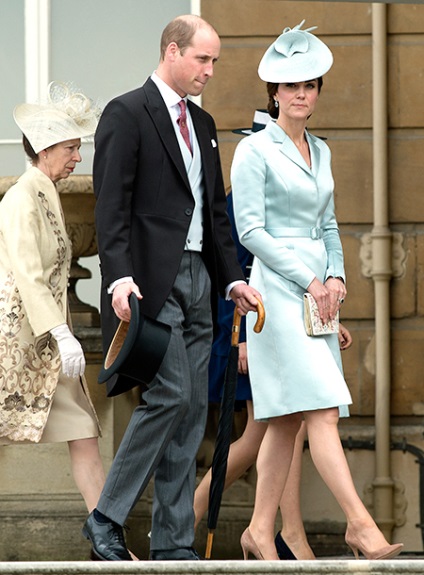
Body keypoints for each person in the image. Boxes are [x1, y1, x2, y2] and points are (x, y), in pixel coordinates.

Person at [82, 14, 260, 562]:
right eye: (202, 59)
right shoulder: (126, 112)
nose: (210, 70)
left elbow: (212, 214)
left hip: (200, 282)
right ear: (171, 51)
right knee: (171, 394)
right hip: (148, 284)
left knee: (191, 410)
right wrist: (119, 277)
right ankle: (106, 517)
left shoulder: (203, 124)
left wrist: (232, 279)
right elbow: (109, 208)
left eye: (214, 61)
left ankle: (174, 543)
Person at [230, 21, 404, 561]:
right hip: (276, 296)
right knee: (324, 410)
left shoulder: (322, 152)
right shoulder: (254, 151)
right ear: (275, 94)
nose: (302, 93)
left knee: (285, 418)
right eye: (292, 85)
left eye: (310, 84)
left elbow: (329, 226)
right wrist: (309, 280)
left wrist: (337, 279)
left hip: (317, 295)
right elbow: (250, 232)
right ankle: (360, 524)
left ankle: (260, 529)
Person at [193, 179, 353, 561]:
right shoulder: (240, 199)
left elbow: (297, 270)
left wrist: (326, 320)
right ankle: (191, 519)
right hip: (256, 331)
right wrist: (241, 338)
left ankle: (280, 531)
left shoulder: (290, 197)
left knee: (285, 427)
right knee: (262, 435)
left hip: (287, 328)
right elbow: (229, 271)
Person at [0, 82, 105, 514]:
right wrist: (62, 332)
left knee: (83, 431)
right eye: (70, 149)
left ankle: (107, 541)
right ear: (44, 149)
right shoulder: (21, 197)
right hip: (18, 344)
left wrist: (61, 338)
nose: (78, 158)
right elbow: (28, 272)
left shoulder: (47, 194)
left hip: (47, 348)